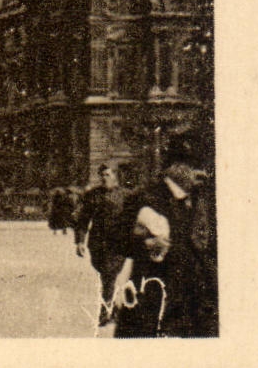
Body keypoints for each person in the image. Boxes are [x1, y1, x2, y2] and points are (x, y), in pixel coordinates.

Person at [111, 133, 217, 338]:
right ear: (175, 168)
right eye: (193, 166)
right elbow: (116, 238)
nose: (199, 174)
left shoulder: (200, 197)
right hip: (155, 290)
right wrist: (144, 243)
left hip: (194, 291)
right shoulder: (145, 197)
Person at [75, 164, 129, 325]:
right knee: (105, 275)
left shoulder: (125, 195)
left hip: (117, 243)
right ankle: (113, 307)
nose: (104, 178)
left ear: (115, 177)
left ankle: (106, 311)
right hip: (97, 243)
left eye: (108, 174)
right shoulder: (93, 195)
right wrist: (80, 241)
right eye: (102, 175)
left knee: (109, 274)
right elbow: (83, 219)